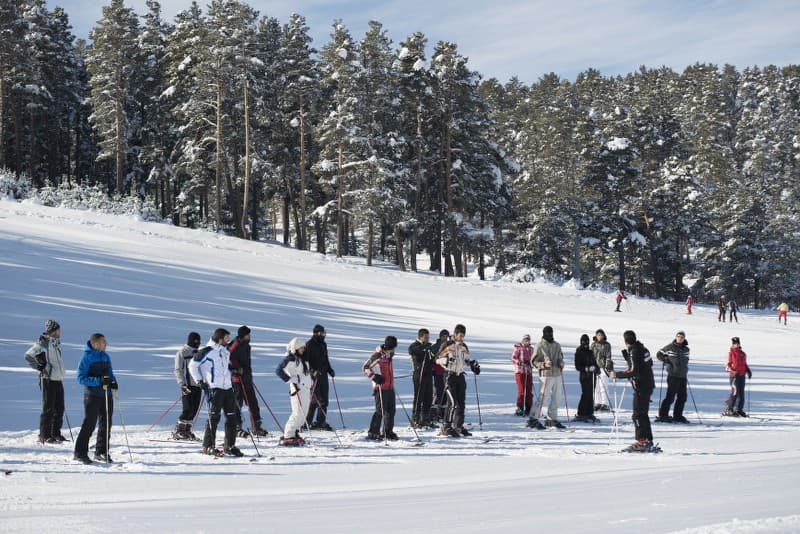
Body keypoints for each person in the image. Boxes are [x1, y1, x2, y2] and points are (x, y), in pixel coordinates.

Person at [189, 328, 243, 457]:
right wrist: (200, 381)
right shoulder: (207, 351)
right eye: (226, 338)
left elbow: (223, 369)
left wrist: (232, 372)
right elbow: (192, 365)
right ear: (220, 339)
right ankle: (207, 446)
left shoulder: (225, 351)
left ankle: (229, 446)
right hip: (215, 389)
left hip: (227, 388)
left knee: (232, 417)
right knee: (213, 418)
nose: (228, 340)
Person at [610, 330, 658, 452]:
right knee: (643, 413)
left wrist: (618, 375)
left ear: (625, 341)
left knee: (637, 414)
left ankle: (642, 440)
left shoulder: (635, 351)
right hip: (647, 384)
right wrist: (628, 359)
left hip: (642, 385)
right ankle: (647, 440)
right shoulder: (643, 348)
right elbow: (647, 363)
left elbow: (634, 370)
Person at [73, 333, 117, 464]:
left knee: (106, 423)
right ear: (96, 343)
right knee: (89, 424)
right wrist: (98, 381)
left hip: (106, 395)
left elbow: (110, 374)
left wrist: (113, 382)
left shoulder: (105, 356)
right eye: (104, 342)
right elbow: (81, 378)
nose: (106, 344)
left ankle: (101, 451)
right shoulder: (86, 357)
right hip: (92, 395)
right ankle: (80, 453)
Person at [24, 319, 67, 444]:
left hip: (58, 379)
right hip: (48, 379)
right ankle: (44, 435)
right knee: (48, 408)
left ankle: (55, 433)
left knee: (59, 408)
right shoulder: (43, 343)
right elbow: (28, 355)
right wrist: (40, 367)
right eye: (58, 329)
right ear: (53, 331)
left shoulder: (55, 343)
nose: (60, 332)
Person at [436, 324, 480, 437]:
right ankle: (446, 426)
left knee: (461, 403)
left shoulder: (463, 346)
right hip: (449, 375)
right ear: (455, 334)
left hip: (460, 375)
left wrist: (472, 365)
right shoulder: (447, 345)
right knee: (453, 402)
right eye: (460, 335)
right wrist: (444, 360)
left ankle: (458, 426)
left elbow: (466, 359)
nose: (461, 338)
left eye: (463, 336)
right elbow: (437, 359)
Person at [229, 325, 268, 437]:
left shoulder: (247, 346)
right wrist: (236, 369)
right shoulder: (235, 345)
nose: (249, 336)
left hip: (247, 378)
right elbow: (228, 358)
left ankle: (256, 426)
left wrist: (248, 374)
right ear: (243, 335)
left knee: (253, 403)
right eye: (248, 335)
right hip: (237, 380)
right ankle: (236, 427)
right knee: (237, 404)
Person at [275, 337, 312, 446]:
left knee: (304, 412)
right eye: (301, 348)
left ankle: (294, 431)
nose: (303, 350)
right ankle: (288, 434)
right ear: (295, 348)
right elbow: (278, 370)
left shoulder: (301, 359)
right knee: (297, 412)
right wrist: (289, 379)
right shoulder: (290, 359)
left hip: (305, 388)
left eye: (304, 348)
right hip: (297, 389)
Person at [527, 326, 565, 430]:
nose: (549, 334)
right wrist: (544, 364)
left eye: (550, 332)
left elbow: (561, 357)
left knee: (557, 397)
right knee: (543, 397)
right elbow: (533, 362)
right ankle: (533, 418)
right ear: (543, 333)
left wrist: (561, 362)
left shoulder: (557, 345)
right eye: (547, 333)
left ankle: (551, 419)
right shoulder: (539, 345)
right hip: (546, 374)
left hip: (556, 373)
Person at [363, 336, 398, 441]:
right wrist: (375, 377)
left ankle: (388, 431)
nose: (394, 349)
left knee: (391, 411)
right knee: (380, 411)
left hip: (390, 386)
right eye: (394, 347)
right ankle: (373, 432)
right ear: (390, 346)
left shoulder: (389, 356)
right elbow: (365, 367)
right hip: (380, 387)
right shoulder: (378, 355)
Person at [172, 332, 203, 440]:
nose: (198, 344)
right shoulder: (182, 353)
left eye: (199, 342)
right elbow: (178, 370)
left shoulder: (199, 353)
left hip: (198, 385)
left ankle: (187, 430)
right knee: (187, 409)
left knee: (194, 409)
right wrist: (182, 384)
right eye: (195, 341)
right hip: (188, 385)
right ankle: (178, 430)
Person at [655, 330, 690, 424]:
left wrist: (685, 369)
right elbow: (659, 354)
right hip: (673, 375)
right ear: (676, 337)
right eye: (678, 336)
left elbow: (686, 361)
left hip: (683, 376)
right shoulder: (670, 347)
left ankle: (677, 415)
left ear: (684, 338)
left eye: (682, 337)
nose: (680, 338)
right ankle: (663, 415)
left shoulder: (686, 349)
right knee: (670, 397)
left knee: (682, 397)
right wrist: (665, 360)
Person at [306, 324, 335, 431]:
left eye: (324, 333)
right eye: (321, 333)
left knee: (324, 400)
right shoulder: (309, 345)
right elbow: (306, 362)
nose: (323, 335)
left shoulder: (323, 344)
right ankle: (306, 422)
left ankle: (320, 422)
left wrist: (330, 370)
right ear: (315, 334)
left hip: (323, 375)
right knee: (315, 400)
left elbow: (325, 359)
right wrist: (313, 372)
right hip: (313, 376)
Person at [408, 328, 435, 428]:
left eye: (428, 337)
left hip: (428, 374)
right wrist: (424, 348)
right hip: (419, 374)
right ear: (420, 337)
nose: (427, 339)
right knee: (419, 397)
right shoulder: (415, 345)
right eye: (426, 337)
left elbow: (432, 356)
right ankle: (416, 419)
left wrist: (431, 350)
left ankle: (425, 419)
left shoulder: (429, 346)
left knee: (428, 397)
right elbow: (412, 351)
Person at [724, 337, 752, 417]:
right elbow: (728, 366)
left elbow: (744, 364)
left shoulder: (742, 353)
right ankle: (729, 409)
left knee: (741, 394)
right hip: (734, 376)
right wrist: (732, 371)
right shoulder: (731, 353)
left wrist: (748, 371)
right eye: (734, 343)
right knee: (735, 393)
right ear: (732, 344)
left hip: (741, 376)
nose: (736, 345)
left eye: (737, 343)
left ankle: (739, 410)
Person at [574, 334, 598, 423]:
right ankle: (581, 413)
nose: (586, 343)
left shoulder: (590, 352)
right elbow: (577, 366)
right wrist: (586, 368)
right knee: (585, 394)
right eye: (584, 341)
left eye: (587, 341)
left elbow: (595, 363)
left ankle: (589, 412)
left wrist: (596, 368)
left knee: (591, 394)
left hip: (592, 376)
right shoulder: (579, 352)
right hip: (584, 376)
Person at [510, 334, 534, 416]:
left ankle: (529, 407)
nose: (527, 341)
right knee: (522, 390)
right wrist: (519, 362)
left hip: (528, 372)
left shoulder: (531, 349)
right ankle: (520, 407)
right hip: (520, 372)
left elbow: (534, 359)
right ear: (523, 340)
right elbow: (513, 358)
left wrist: (531, 364)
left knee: (529, 390)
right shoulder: (518, 347)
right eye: (525, 340)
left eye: (528, 340)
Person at [591, 329, 613, 412]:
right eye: (598, 335)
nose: (600, 336)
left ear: (603, 336)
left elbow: (608, 356)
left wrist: (608, 365)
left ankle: (605, 403)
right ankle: (598, 402)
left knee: (603, 386)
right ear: (596, 336)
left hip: (603, 368)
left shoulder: (607, 345)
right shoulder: (593, 345)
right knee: (596, 387)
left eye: (601, 335)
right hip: (595, 368)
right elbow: (591, 355)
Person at [430, 329, 449, 422]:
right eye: (443, 336)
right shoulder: (435, 346)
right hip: (437, 372)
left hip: (446, 373)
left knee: (446, 393)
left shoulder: (449, 346)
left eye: (446, 336)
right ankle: (434, 413)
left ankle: (443, 413)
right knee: (437, 392)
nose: (445, 338)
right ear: (440, 337)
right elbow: (431, 359)